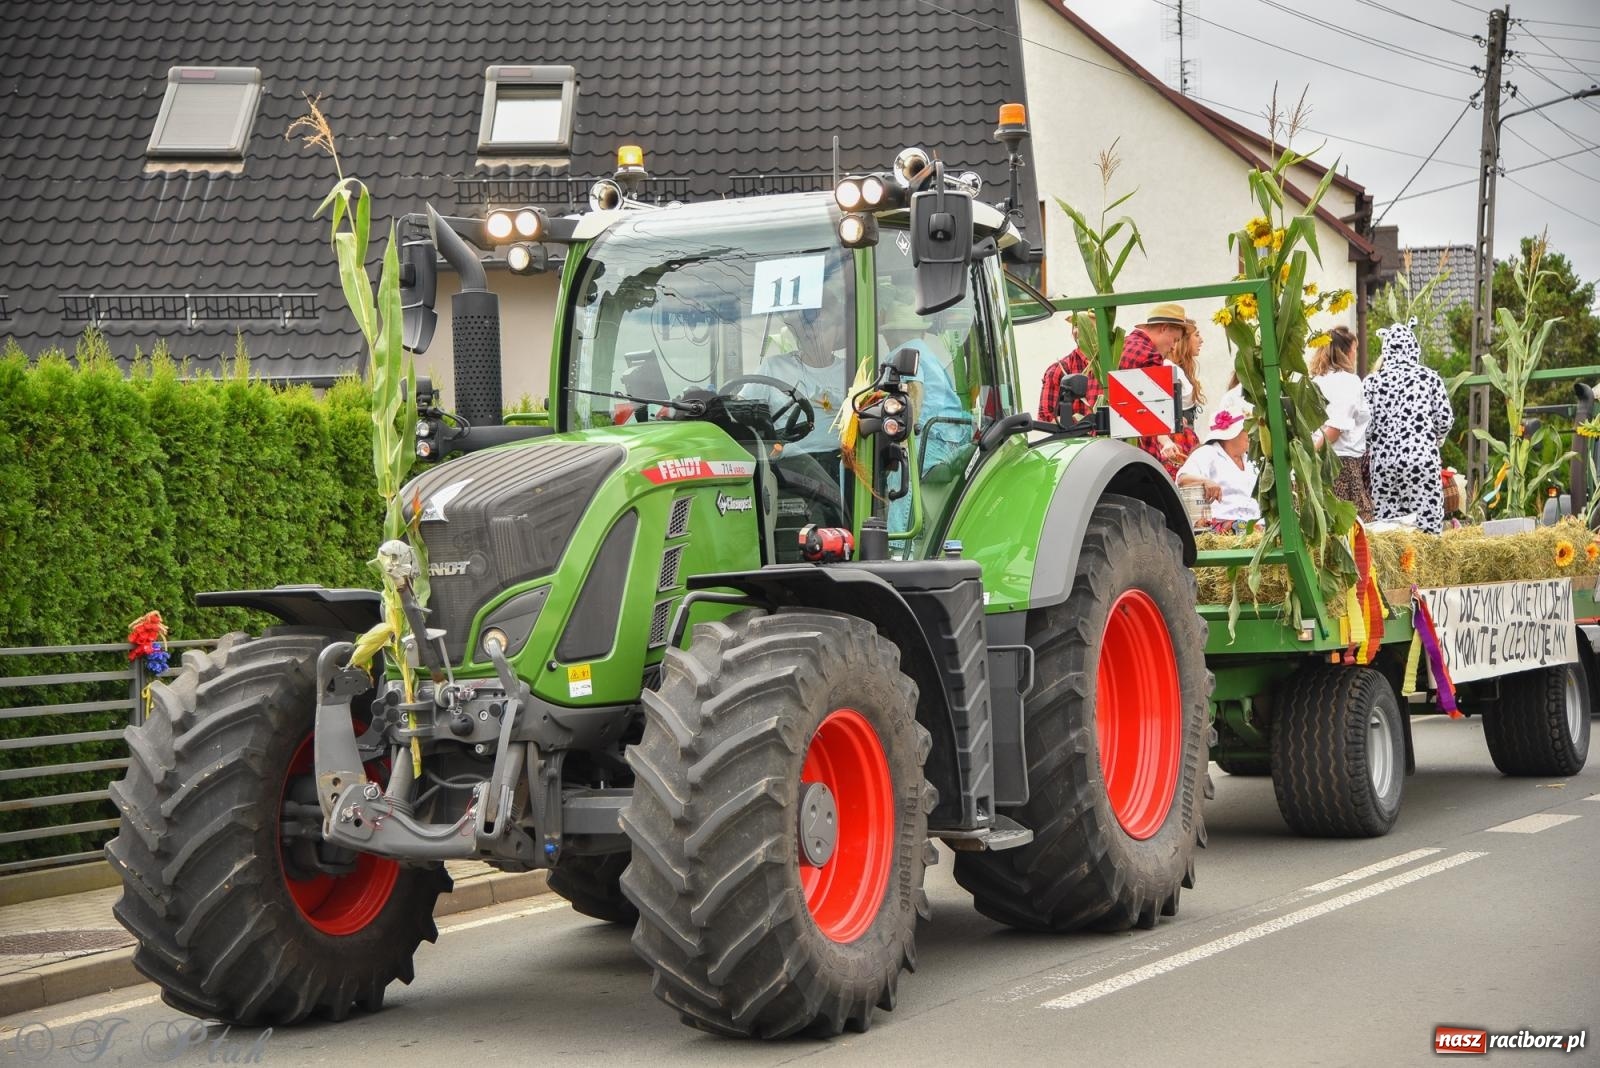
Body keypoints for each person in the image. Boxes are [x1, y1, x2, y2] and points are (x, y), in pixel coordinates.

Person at [1363, 317, 1452, 534]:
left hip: (1384, 465)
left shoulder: (1372, 382)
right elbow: (1444, 419)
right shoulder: (1429, 378)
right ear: (1413, 347)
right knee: (1427, 528)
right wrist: (1435, 439)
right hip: (1421, 461)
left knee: (1389, 533)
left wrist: (1377, 445)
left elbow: (1364, 427)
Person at [1119, 302, 1194, 475]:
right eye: (1174, 340)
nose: (1173, 347)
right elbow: (1150, 412)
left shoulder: (1122, 345)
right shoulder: (1150, 355)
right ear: (1164, 328)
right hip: (1137, 453)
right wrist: (1166, 441)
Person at [1309, 325, 1373, 520]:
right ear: (1345, 352)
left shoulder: (1314, 380)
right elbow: (1336, 429)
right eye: (1354, 350)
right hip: (1340, 464)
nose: (1355, 355)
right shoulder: (1349, 381)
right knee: (1349, 527)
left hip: (1321, 458)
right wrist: (1312, 456)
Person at [1177, 402, 1260, 530]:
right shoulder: (1207, 453)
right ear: (1232, 434)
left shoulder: (1251, 461)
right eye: (1246, 430)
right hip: (1225, 527)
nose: (1251, 434)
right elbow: (1182, 479)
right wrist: (1205, 481)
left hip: (1254, 525)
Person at [1038, 311, 1101, 422]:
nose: (1077, 331)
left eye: (1086, 325)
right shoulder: (1060, 370)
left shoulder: (1115, 363)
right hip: (1079, 438)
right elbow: (1046, 419)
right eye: (1076, 325)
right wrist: (1076, 422)